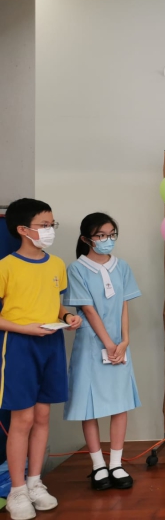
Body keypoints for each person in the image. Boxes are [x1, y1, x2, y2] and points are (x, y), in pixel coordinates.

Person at [0, 198, 81, 520]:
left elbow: (55, 303)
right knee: (22, 420)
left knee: (43, 416)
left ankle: (35, 483)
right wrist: (25, 328)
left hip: (51, 343)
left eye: (51, 225)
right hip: (19, 346)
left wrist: (68, 316)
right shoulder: (6, 266)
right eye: (44, 225)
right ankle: (17, 490)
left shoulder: (56, 264)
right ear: (23, 229)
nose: (49, 231)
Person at [63, 213, 142, 491]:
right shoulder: (76, 269)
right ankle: (98, 465)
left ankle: (116, 463)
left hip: (119, 345)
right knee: (90, 405)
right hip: (90, 345)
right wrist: (108, 343)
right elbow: (88, 309)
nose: (107, 240)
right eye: (101, 235)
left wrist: (125, 341)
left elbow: (124, 305)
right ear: (86, 239)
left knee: (120, 404)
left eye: (111, 234)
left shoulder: (123, 267)